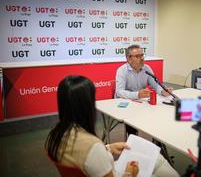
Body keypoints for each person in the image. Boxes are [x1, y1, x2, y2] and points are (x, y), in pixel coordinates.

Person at [45, 75, 179, 177]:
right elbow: (91, 154)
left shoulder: (55, 134)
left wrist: (108, 148)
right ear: (87, 105)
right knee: (158, 160)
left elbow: (81, 156)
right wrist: (129, 173)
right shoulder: (92, 146)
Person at [115, 44, 172, 135]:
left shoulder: (146, 68)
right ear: (129, 59)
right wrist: (137, 94)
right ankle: (132, 142)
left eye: (142, 55)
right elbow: (119, 92)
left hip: (141, 102)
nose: (141, 58)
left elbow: (155, 85)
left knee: (158, 116)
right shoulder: (122, 70)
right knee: (132, 120)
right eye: (137, 56)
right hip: (127, 104)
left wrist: (162, 91)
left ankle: (158, 144)